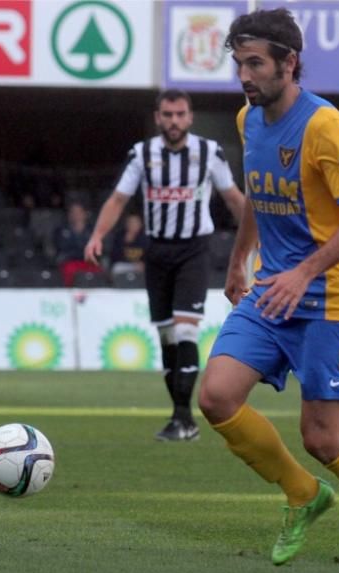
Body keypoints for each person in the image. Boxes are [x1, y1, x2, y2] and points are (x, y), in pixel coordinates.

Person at [197, 7, 339, 573]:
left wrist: (303, 273)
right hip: (273, 291)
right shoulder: (250, 121)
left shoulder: (324, 126)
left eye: (255, 63)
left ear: (289, 63)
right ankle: (302, 494)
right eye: (238, 63)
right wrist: (239, 259)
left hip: (332, 300)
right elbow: (256, 195)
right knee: (216, 397)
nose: (244, 76)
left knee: (323, 437)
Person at [85, 89, 246, 442]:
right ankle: (179, 417)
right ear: (158, 118)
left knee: (187, 330)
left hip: (193, 250)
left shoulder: (209, 153)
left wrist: (257, 240)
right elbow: (118, 199)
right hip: (156, 251)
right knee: (166, 335)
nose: (174, 121)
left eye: (180, 114)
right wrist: (97, 235)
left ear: (190, 117)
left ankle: (183, 417)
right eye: (167, 115)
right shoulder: (142, 154)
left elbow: (234, 198)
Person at [56, 202, 102, 287]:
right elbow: (62, 248)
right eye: (73, 212)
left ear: (85, 214)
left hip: (89, 261)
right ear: (69, 215)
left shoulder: (93, 230)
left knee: (98, 271)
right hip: (70, 261)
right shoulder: (61, 230)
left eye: (78, 212)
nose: (75, 215)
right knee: (68, 270)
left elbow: (96, 249)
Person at [109, 212, 148, 278]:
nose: (133, 225)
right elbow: (114, 257)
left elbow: (149, 255)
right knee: (117, 268)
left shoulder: (145, 238)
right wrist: (126, 242)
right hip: (125, 265)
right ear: (127, 224)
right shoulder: (120, 237)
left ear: (141, 224)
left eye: (136, 223)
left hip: (140, 266)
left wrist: (143, 263)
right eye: (131, 223)